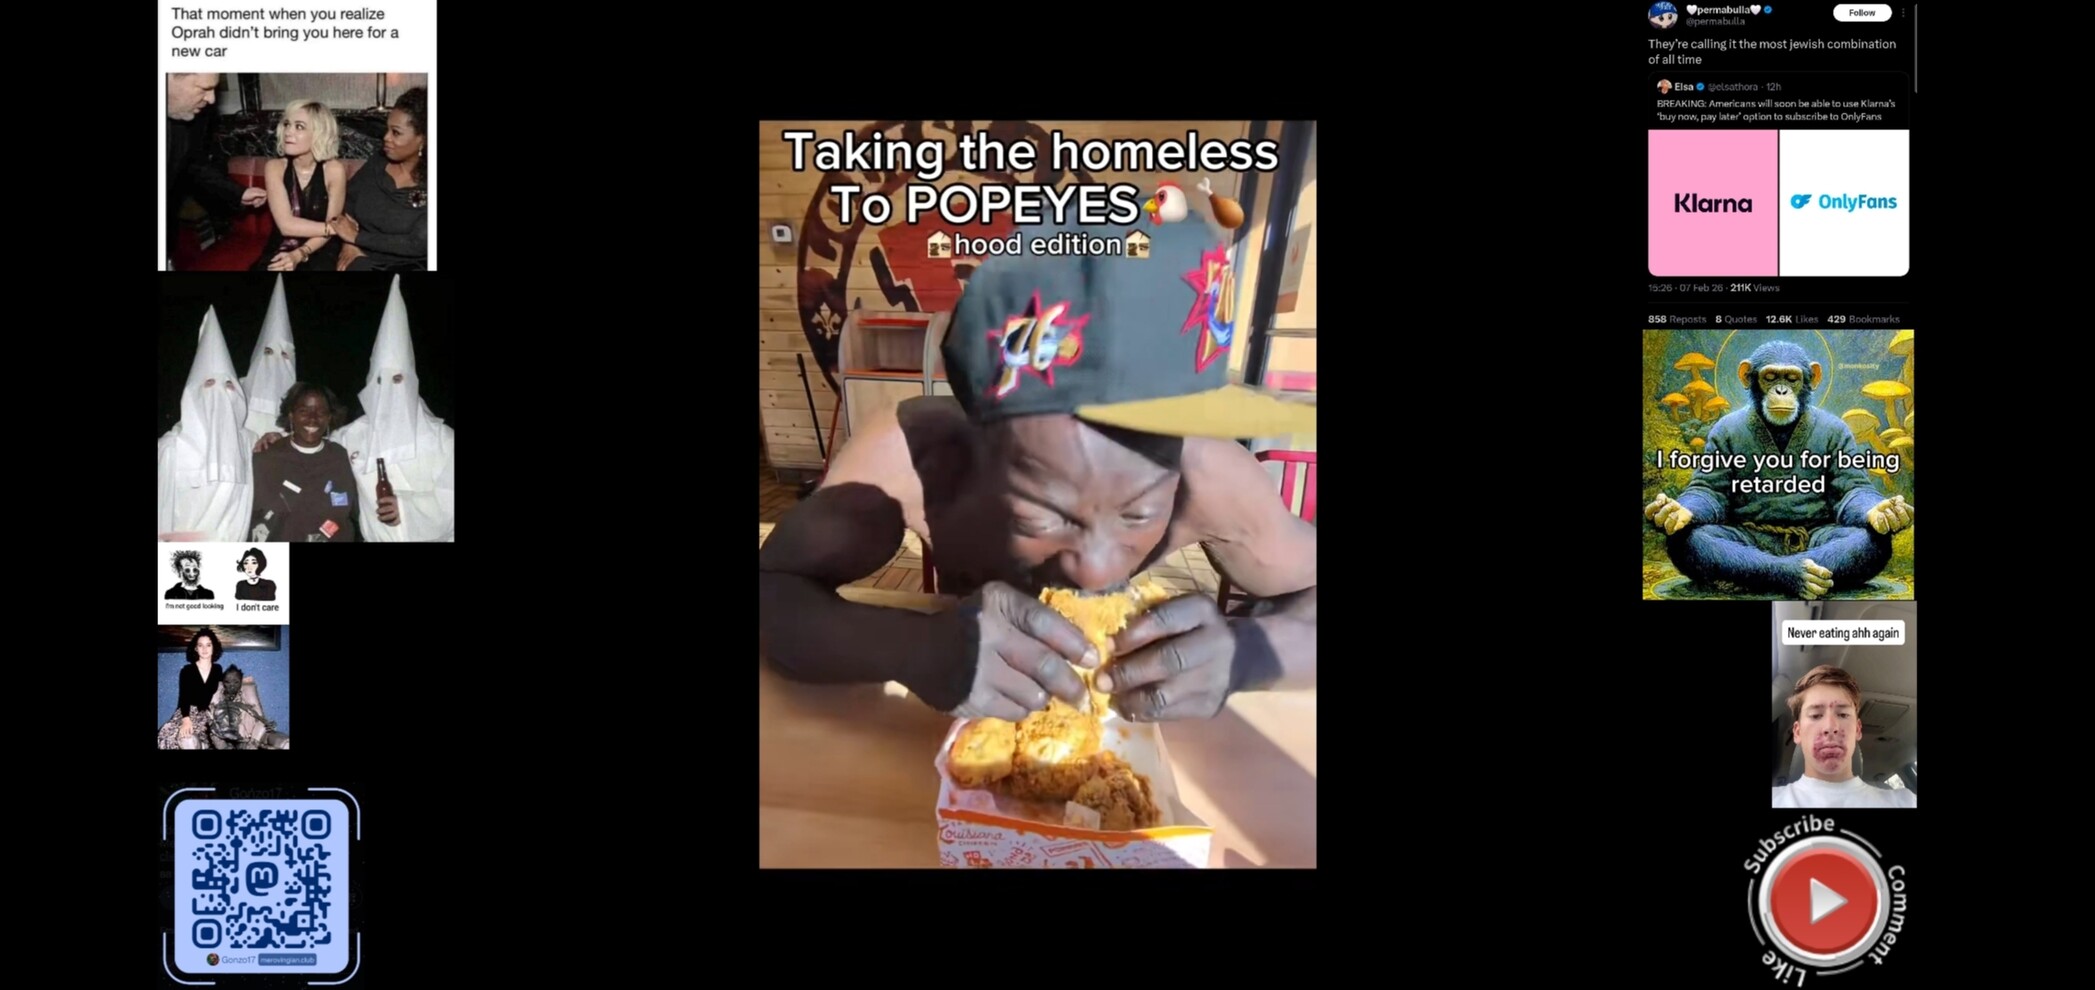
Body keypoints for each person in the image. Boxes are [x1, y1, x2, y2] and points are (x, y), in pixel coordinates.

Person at [758, 219, 1316, 723]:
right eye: (1040, 516)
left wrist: (1247, 653)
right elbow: (772, 589)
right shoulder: (912, 457)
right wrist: (918, 649)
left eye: (1138, 514)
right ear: (977, 442)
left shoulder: (1210, 473)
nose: (1096, 571)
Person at [254, 276, 454, 541]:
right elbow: (315, 442)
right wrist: (278, 436)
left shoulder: (442, 439)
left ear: (412, 383)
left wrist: (406, 508)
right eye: (380, 381)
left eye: (397, 379)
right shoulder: (352, 436)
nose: (389, 390)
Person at [158, 308, 256, 542]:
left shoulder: (249, 442)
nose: (220, 393)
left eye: (228, 385)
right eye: (210, 383)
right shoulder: (171, 447)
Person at [1772, 665, 1917, 808]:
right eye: (1816, 715)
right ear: (1797, 732)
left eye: (1843, 715)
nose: (1830, 727)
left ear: (1857, 729)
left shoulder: (1904, 802)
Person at [167, 73, 266, 266]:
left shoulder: (187, 121)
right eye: (203, 88)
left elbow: (194, 165)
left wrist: (238, 193)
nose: (212, 99)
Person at [250, 382, 359, 543]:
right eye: (304, 411)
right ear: (291, 415)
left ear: (329, 417)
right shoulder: (266, 459)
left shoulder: (341, 458)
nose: (312, 418)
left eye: (321, 412)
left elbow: (357, 511)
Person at [332, 87, 427, 271]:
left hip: (409, 265)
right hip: (359, 256)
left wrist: (356, 238)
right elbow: (346, 204)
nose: (386, 137)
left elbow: (418, 243)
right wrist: (349, 243)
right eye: (387, 129)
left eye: (396, 132)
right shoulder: (378, 162)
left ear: (423, 139)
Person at [251, 100, 346, 272]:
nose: (288, 132)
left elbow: (331, 227)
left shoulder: (334, 170)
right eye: (287, 124)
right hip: (282, 245)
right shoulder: (274, 167)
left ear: (319, 133)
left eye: (299, 127)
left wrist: (300, 253)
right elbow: (286, 226)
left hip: (320, 246)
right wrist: (334, 228)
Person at [241, 275, 298, 437]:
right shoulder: (236, 393)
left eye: (284, 354)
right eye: (268, 352)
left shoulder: (301, 401)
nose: (276, 360)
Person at [156, 628, 225, 750]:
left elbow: (222, 690)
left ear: (214, 647)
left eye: (208, 645)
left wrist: (244, 680)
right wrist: (186, 720)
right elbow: (184, 697)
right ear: (196, 648)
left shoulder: (218, 669)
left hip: (207, 715)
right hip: (187, 712)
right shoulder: (187, 670)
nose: (204, 649)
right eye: (200, 645)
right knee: (168, 737)